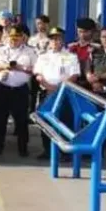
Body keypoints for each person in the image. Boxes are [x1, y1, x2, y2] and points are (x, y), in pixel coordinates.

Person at [0, 25, 38, 157]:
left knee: (21, 121)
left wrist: (21, 68)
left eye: (17, 38)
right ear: (7, 37)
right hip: (2, 88)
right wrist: (4, 67)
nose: (14, 41)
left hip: (20, 89)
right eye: (11, 38)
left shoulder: (30, 52)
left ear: (22, 38)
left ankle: (23, 148)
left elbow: (36, 69)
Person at [32, 27, 81, 159]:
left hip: (65, 94)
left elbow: (74, 75)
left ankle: (65, 153)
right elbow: (38, 75)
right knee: (45, 122)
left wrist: (59, 88)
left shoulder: (71, 56)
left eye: (58, 38)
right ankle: (48, 151)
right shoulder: (43, 57)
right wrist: (48, 86)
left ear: (63, 40)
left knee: (65, 122)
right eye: (53, 39)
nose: (55, 41)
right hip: (46, 92)